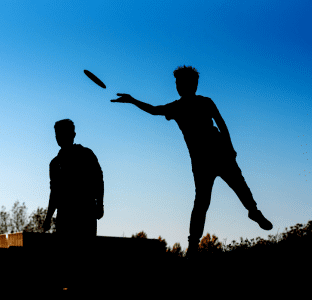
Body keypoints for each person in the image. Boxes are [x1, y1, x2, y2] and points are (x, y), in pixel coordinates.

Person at [111, 65, 272, 260]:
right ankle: (194, 244)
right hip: (202, 161)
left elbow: (221, 123)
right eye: (177, 83)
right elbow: (154, 110)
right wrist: (132, 100)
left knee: (239, 186)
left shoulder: (205, 102)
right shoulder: (177, 107)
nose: (179, 86)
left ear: (194, 85)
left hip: (219, 153)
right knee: (202, 202)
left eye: (183, 83)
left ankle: (253, 212)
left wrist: (229, 148)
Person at [42, 119, 104, 237]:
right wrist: (48, 217)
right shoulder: (55, 163)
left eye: (63, 133)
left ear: (73, 135)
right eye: (58, 134)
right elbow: (54, 192)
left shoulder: (86, 154)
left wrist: (100, 205)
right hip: (65, 215)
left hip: (85, 213)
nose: (60, 137)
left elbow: (99, 180)